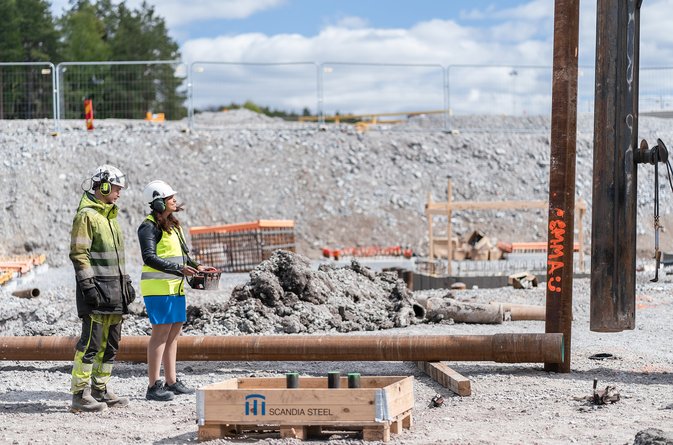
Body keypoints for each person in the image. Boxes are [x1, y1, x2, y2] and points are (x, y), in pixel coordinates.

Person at [137, 180, 217, 401]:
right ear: (158, 203)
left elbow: (183, 255)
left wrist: (197, 266)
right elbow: (149, 258)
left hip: (175, 286)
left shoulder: (174, 226)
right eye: (169, 197)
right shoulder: (148, 226)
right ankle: (153, 386)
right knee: (160, 334)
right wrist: (179, 269)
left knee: (174, 334)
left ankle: (171, 381)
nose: (174, 200)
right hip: (158, 287)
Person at [69, 164, 134, 412]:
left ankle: (100, 389)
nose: (119, 193)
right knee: (90, 344)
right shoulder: (86, 216)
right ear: (103, 186)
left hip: (114, 293)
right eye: (116, 188)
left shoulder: (111, 219)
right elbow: (79, 253)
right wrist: (87, 285)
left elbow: (116, 258)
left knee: (110, 345)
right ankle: (80, 394)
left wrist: (125, 282)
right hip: (96, 293)